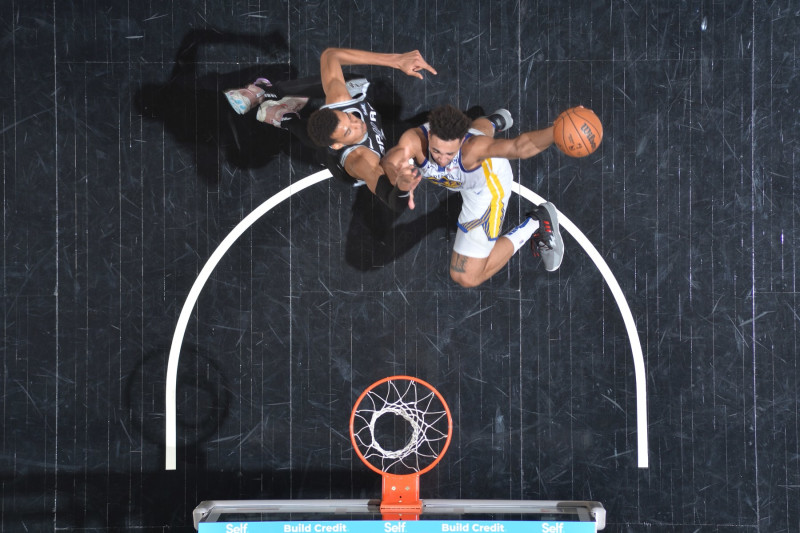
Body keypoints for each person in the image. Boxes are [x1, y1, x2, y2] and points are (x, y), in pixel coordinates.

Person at [223, 47, 436, 211]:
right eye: (348, 131)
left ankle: (268, 95)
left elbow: (330, 55)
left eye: (349, 117)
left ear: (335, 108)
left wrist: (396, 60)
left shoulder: (340, 101)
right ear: (339, 143)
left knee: (351, 82)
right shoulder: (362, 161)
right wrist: (402, 188)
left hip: (333, 137)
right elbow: (391, 199)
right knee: (317, 144)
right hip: (341, 165)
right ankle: (283, 117)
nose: (357, 123)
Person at [382, 104, 564, 288]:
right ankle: (493, 123)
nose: (442, 160)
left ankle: (538, 220)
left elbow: (520, 147)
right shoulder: (414, 141)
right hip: (463, 176)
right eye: (436, 151)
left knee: (466, 276)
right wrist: (399, 177)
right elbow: (390, 161)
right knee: (478, 131)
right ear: (429, 135)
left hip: (487, 188)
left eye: (449, 154)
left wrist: (558, 129)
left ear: (461, 141)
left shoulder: (473, 148)